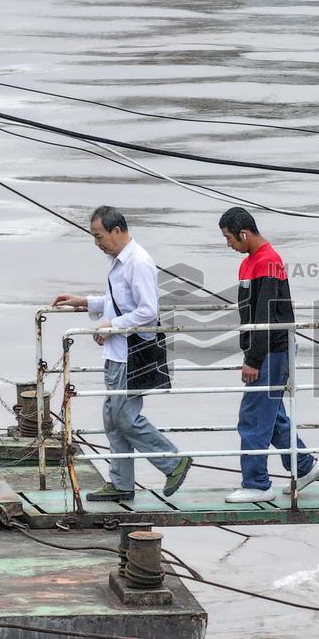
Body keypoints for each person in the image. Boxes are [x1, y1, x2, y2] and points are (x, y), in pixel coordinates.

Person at [52, 206, 191, 501]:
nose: (96, 242)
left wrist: (112, 325)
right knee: (112, 418)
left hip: (132, 352)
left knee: (125, 417)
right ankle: (122, 483)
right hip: (118, 352)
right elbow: (118, 302)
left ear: (117, 230)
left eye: (98, 236)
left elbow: (148, 310)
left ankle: (172, 461)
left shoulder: (137, 262)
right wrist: (83, 302)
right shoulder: (120, 261)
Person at [218, 207, 319, 503]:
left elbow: (266, 316)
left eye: (228, 238)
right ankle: (305, 465)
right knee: (273, 414)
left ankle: (257, 484)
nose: (228, 244)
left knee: (253, 417)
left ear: (243, 234)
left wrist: (253, 360)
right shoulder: (252, 261)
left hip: (271, 351)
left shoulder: (266, 261)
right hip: (266, 349)